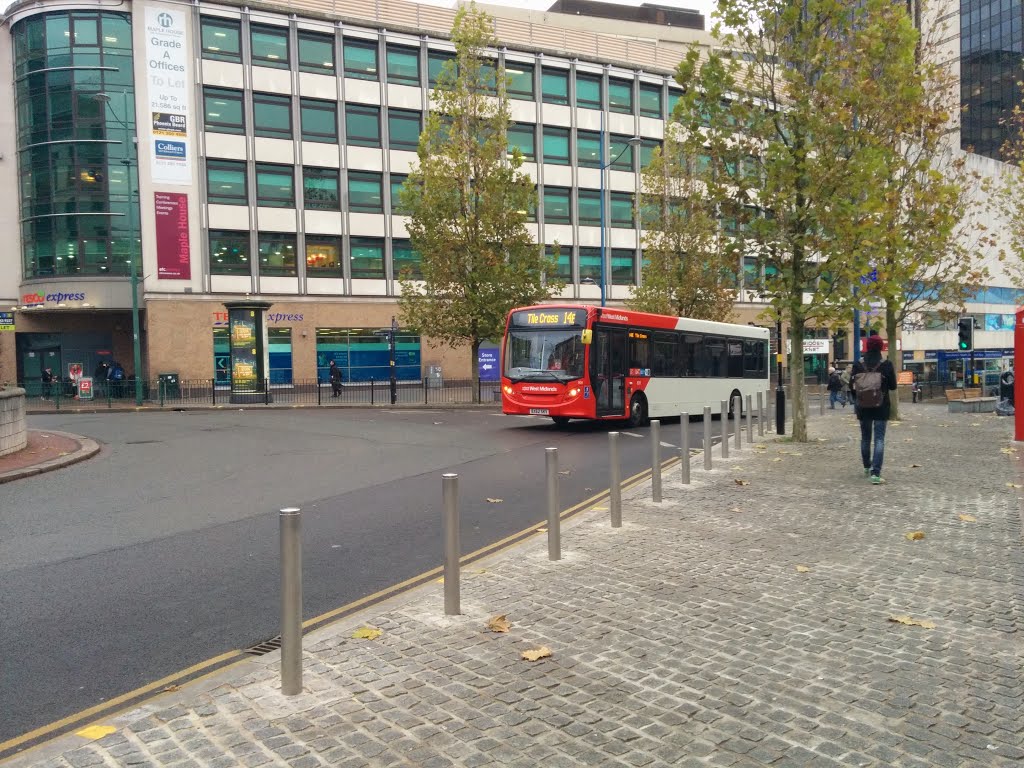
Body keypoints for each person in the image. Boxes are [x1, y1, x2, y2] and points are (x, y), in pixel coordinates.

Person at [849, 335, 897, 485]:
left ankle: (866, 466)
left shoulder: (858, 364)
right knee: (879, 438)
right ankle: (875, 473)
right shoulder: (886, 364)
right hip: (881, 406)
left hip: (863, 406)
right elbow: (893, 386)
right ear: (881, 347)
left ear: (867, 346)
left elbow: (852, 386)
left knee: (865, 438)